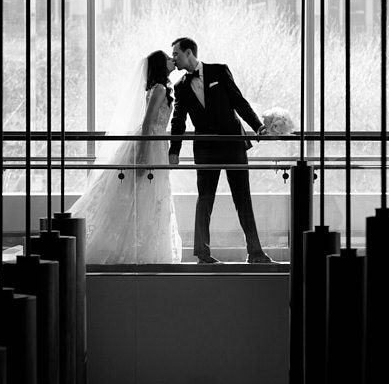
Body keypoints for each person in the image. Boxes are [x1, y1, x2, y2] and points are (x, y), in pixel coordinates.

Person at [67, 50, 182, 264]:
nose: (171, 60)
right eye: (168, 58)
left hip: (157, 144)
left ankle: (142, 248)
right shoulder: (158, 89)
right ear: (160, 65)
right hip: (150, 144)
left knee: (149, 197)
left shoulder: (162, 88)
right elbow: (148, 123)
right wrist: (143, 156)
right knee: (140, 195)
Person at [167, 37, 272, 264]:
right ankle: (202, 255)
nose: (173, 58)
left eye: (176, 54)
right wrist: (173, 151)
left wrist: (258, 127)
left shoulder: (220, 71)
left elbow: (238, 101)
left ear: (188, 53)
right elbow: (178, 121)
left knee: (243, 198)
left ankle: (255, 253)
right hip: (206, 149)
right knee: (204, 199)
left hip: (233, 144)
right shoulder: (180, 86)